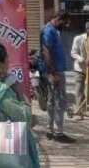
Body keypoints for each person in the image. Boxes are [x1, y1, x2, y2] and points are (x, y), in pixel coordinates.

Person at [40, 12, 76, 142]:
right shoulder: (49, 30)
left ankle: (51, 131)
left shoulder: (53, 30)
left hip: (55, 71)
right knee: (59, 101)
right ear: (59, 19)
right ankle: (58, 133)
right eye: (65, 23)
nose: (66, 26)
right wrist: (51, 72)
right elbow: (46, 51)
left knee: (53, 101)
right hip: (55, 72)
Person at [70, 21, 89, 115]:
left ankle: (85, 110)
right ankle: (79, 112)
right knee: (79, 91)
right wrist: (83, 60)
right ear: (87, 29)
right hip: (80, 70)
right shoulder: (78, 39)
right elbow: (73, 53)